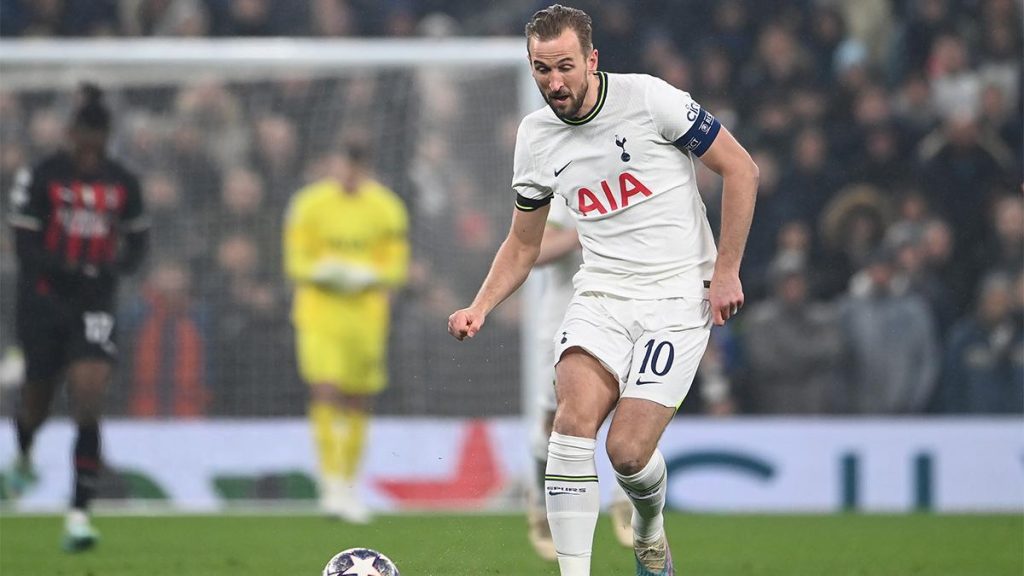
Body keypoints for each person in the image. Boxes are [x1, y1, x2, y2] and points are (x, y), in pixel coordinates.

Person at [448, 5, 758, 575]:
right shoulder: (535, 137)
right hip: (601, 295)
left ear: (591, 60)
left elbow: (741, 169)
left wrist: (728, 270)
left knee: (627, 453)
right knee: (570, 424)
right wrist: (480, 304)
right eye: (542, 70)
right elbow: (523, 243)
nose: (554, 82)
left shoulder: (650, 100)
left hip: (676, 298)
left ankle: (649, 528)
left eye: (565, 66)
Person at [5, 83, 149, 551]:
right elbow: (24, 244)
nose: (89, 151)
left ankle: (80, 514)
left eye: (97, 142)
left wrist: (112, 269)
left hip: (95, 303)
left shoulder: (123, 182)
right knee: (38, 400)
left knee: (89, 394)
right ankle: (24, 453)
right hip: (43, 301)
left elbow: (138, 243)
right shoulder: (40, 176)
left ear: (105, 139)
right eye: (82, 141)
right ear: (71, 135)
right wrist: (69, 267)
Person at [284, 143, 409, 523]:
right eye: (343, 165)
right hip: (320, 313)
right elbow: (296, 261)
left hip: (366, 316)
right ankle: (331, 484)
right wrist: (325, 272)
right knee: (325, 388)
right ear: (332, 164)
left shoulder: (386, 208)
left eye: (356, 167)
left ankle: (351, 485)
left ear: (366, 167)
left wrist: (368, 275)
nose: (349, 174)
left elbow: (396, 267)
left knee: (358, 398)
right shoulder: (308, 204)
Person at [527, 197, 632, 561]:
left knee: (632, 401)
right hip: (563, 317)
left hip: (621, 314)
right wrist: (583, 233)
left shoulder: (637, 183)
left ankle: (626, 499)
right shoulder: (566, 191)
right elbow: (536, 252)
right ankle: (539, 502)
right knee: (555, 418)